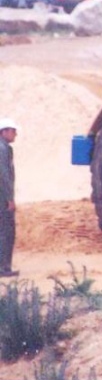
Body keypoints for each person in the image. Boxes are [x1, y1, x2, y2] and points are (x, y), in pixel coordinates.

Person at [0, 118, 18, 277]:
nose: (15, 134)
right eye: (13, 131)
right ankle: (3, 268)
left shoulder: (5, 148)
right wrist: (9, 199)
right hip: (2, 198)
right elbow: (4, 175)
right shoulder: (2, 149)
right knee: (6, 231)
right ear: (4, 131)